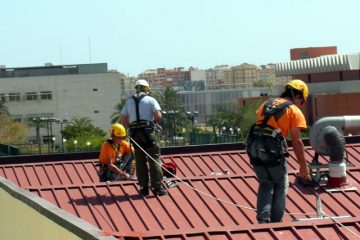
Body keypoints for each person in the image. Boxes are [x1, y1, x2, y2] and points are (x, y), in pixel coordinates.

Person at [247, 79, 311, 224]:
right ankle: (276, 224)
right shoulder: (293, 110)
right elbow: (296, 141)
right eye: (302, 101)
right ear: (299, 96)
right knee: (281, 184)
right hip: (271, 149)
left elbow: (262, 124)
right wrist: (303, 166)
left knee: (265, 183)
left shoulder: (267, 104)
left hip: (253, 146)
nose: (300, 104)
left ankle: (263, 221)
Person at [120, 79, 167, 196]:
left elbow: (123, 119)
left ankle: (144, 188)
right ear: (146, 89)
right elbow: (158, 115)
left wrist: (131, 127)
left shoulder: (129, 102)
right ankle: (157, 188)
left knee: (140, 160)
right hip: (148, 133)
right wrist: (154, 124)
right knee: (154, 158)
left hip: (135, 134)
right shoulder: (150, 100)